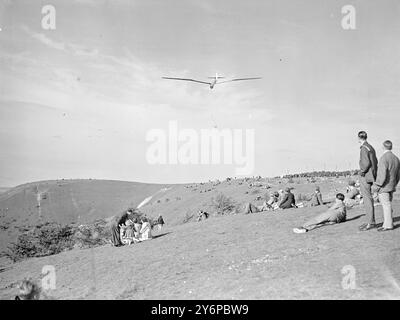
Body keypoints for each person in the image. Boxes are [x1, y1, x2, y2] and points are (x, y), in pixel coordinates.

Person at [372, 140, 400, 231]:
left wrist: (376, 186)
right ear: (391, 147)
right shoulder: (396, 158)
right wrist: (395, 183)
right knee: (388, 205)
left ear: (383, 147)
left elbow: (381, 175)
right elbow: (398, 175)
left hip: (384, 186)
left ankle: (388, 225)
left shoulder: (383, 158)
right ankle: (387, 223)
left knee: (386, 205)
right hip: (392, 185)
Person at [357, 131, 378, 231]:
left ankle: (371, 222)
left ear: (359, 138)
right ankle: (370, 221)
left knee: (367, 199)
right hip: (371, 175)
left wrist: (361, 172)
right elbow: (375, 161)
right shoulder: (371, 147)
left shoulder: (364, 148)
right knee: (368, 198)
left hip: (365, 176)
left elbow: (365, 163)